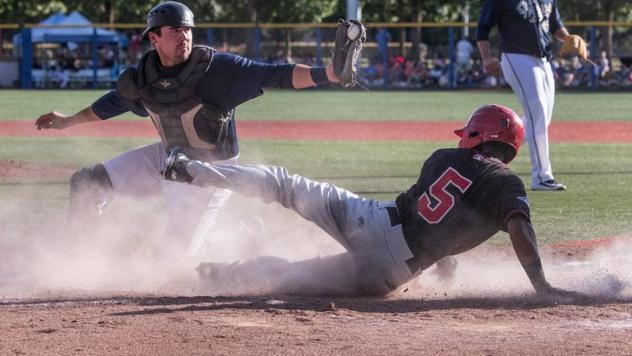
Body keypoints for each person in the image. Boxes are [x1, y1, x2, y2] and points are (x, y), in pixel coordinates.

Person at [34, 1, 360, 257]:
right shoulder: (143, 78)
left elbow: (275, 75)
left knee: (172, 259)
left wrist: (329, 73)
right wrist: (68, 121)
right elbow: (112, 104)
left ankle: (241, 234)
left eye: (188, 29)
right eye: (175, 30)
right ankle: (74, 255)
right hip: (167, 156)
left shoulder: (219, 70)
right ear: (154, 37)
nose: (185, 36)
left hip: (211, 170)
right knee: (88, 183)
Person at [163, 104, 583, 299]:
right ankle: (219, 274)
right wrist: (540, 285)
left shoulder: (444, 158)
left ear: (476, 133)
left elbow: (428, 209)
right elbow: (511, 227)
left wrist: (446, 257)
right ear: (512, 147)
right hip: (390, 274)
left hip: (373, 223)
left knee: (282, 185)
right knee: (298, 275)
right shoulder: (507, 186)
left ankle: (190, 170)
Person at [477, 0, 576, 191]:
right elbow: (483, 27)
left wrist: (569, 38)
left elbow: (555, 27)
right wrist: (486, 57)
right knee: (537, 112)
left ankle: (487, 154)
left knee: (540, 118)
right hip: (516, 56)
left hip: (544, 61)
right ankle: (541, 177)